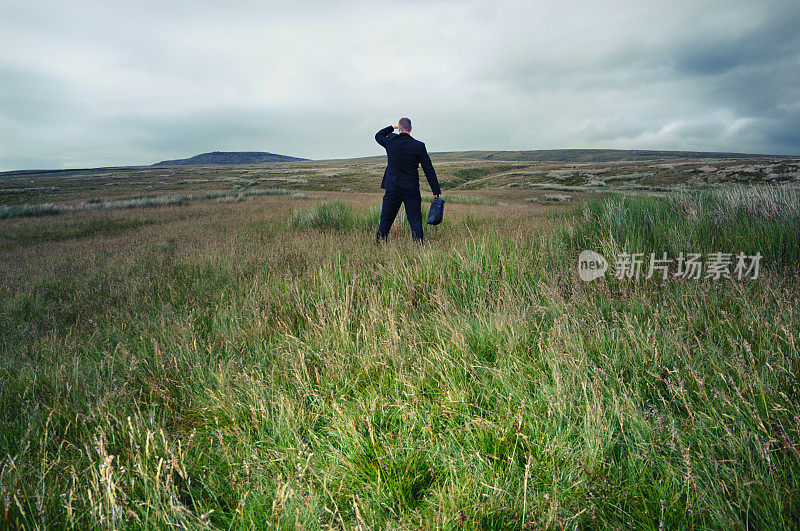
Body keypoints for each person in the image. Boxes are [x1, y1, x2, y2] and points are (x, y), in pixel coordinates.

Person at [374, 117, 441, 244]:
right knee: (415, 219)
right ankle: (418, 246)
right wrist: (435, 190)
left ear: (399, 128)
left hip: (392, 187)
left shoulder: (391, 140)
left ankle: (380, 245)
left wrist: (392, 127)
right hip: (411, 189)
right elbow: (428, 169)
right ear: (411, 129)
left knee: (386, 219)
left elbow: (378, 135)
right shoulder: (418, 145)